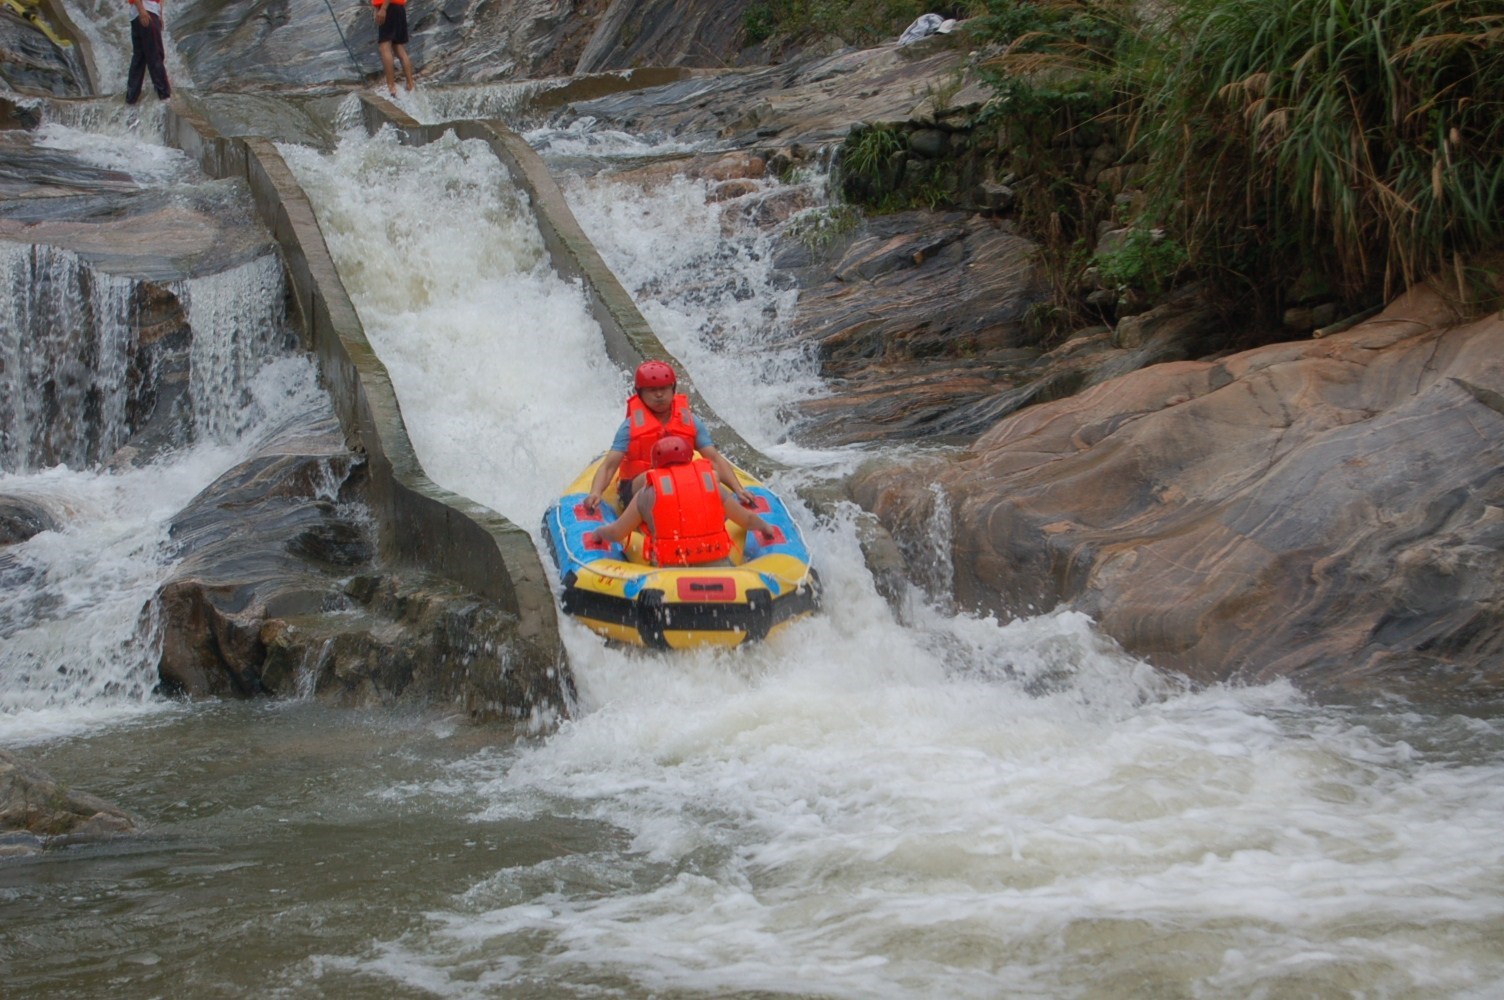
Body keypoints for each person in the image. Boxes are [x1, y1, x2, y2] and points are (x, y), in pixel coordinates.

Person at [582, 360, 753, 514]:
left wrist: (738, 489)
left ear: (673, 390)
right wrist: (595, 493)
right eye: (652, 390)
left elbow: (714, 459)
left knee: (709, 474)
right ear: (640, 393)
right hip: (638, 489)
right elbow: (609, 466)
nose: (659, 395)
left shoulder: (691, 422)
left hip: (681, 483)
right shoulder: (629, 427)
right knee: (653, 477)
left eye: (664, 389)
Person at [587, 437, 776, 567]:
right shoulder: (711, 485)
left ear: (656, 464)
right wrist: (766, 528)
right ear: (690, 460)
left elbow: (617, 532)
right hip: (717, 565)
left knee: (632, 541)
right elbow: (748, 520)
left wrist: (597, 533)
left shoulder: (647, 492)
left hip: (670, 570)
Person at [124, 0, 171, 105]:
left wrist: (160, 14)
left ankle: (131, 98)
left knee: (139, 58)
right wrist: (142, 10)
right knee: (155, 54)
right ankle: (164, 95)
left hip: (138, 14)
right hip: (147, 12)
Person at [373, 0, 416, 98]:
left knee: (385, 47)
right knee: (398, 47)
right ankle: (410, 85)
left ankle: (391, 87)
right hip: (398, 8)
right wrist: (376, 9)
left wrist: (383, 8)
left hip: (388, 8)